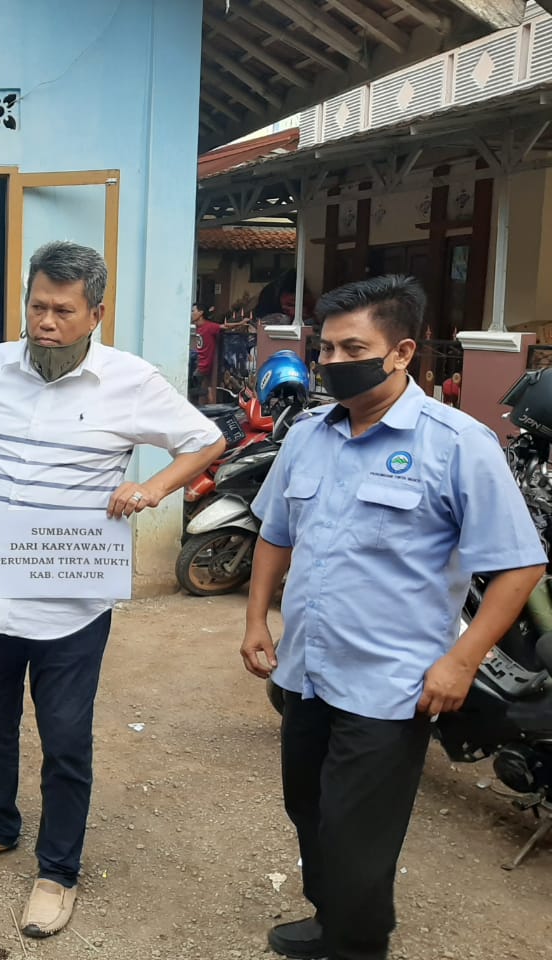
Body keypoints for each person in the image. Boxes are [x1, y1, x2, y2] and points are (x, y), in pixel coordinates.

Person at [0, 242, 226, 939]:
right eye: (37, 306)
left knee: (66, 739)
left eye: (62, 311)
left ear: (94, 313)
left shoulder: (130, 382)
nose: (45, 321)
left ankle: (57, 870)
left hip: (72, 602)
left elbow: (206, 440)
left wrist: (155, 487)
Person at [239, 275, 545, 960]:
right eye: (325, 348)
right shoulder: (310, 435)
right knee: (309, 809)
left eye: (354, 347)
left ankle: (359, 942)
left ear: (402, 351)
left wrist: (461, 661)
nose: (332, 362)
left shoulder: (458, 443)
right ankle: (331, 921)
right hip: (308, 671)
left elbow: (520, 565)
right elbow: (275, 533)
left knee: (357, 834)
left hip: (392, 687)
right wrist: (258, 620)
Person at [192, 304, 222, 404]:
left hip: (203, 364)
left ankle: (206, 392)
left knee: (191, 388)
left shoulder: (209, 326)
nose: (192, 313)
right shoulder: (198, 326)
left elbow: (223, 326)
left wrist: (241, 322)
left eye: (193, 311)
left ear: (201, 313)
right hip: (198, 361)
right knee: (192, 389)